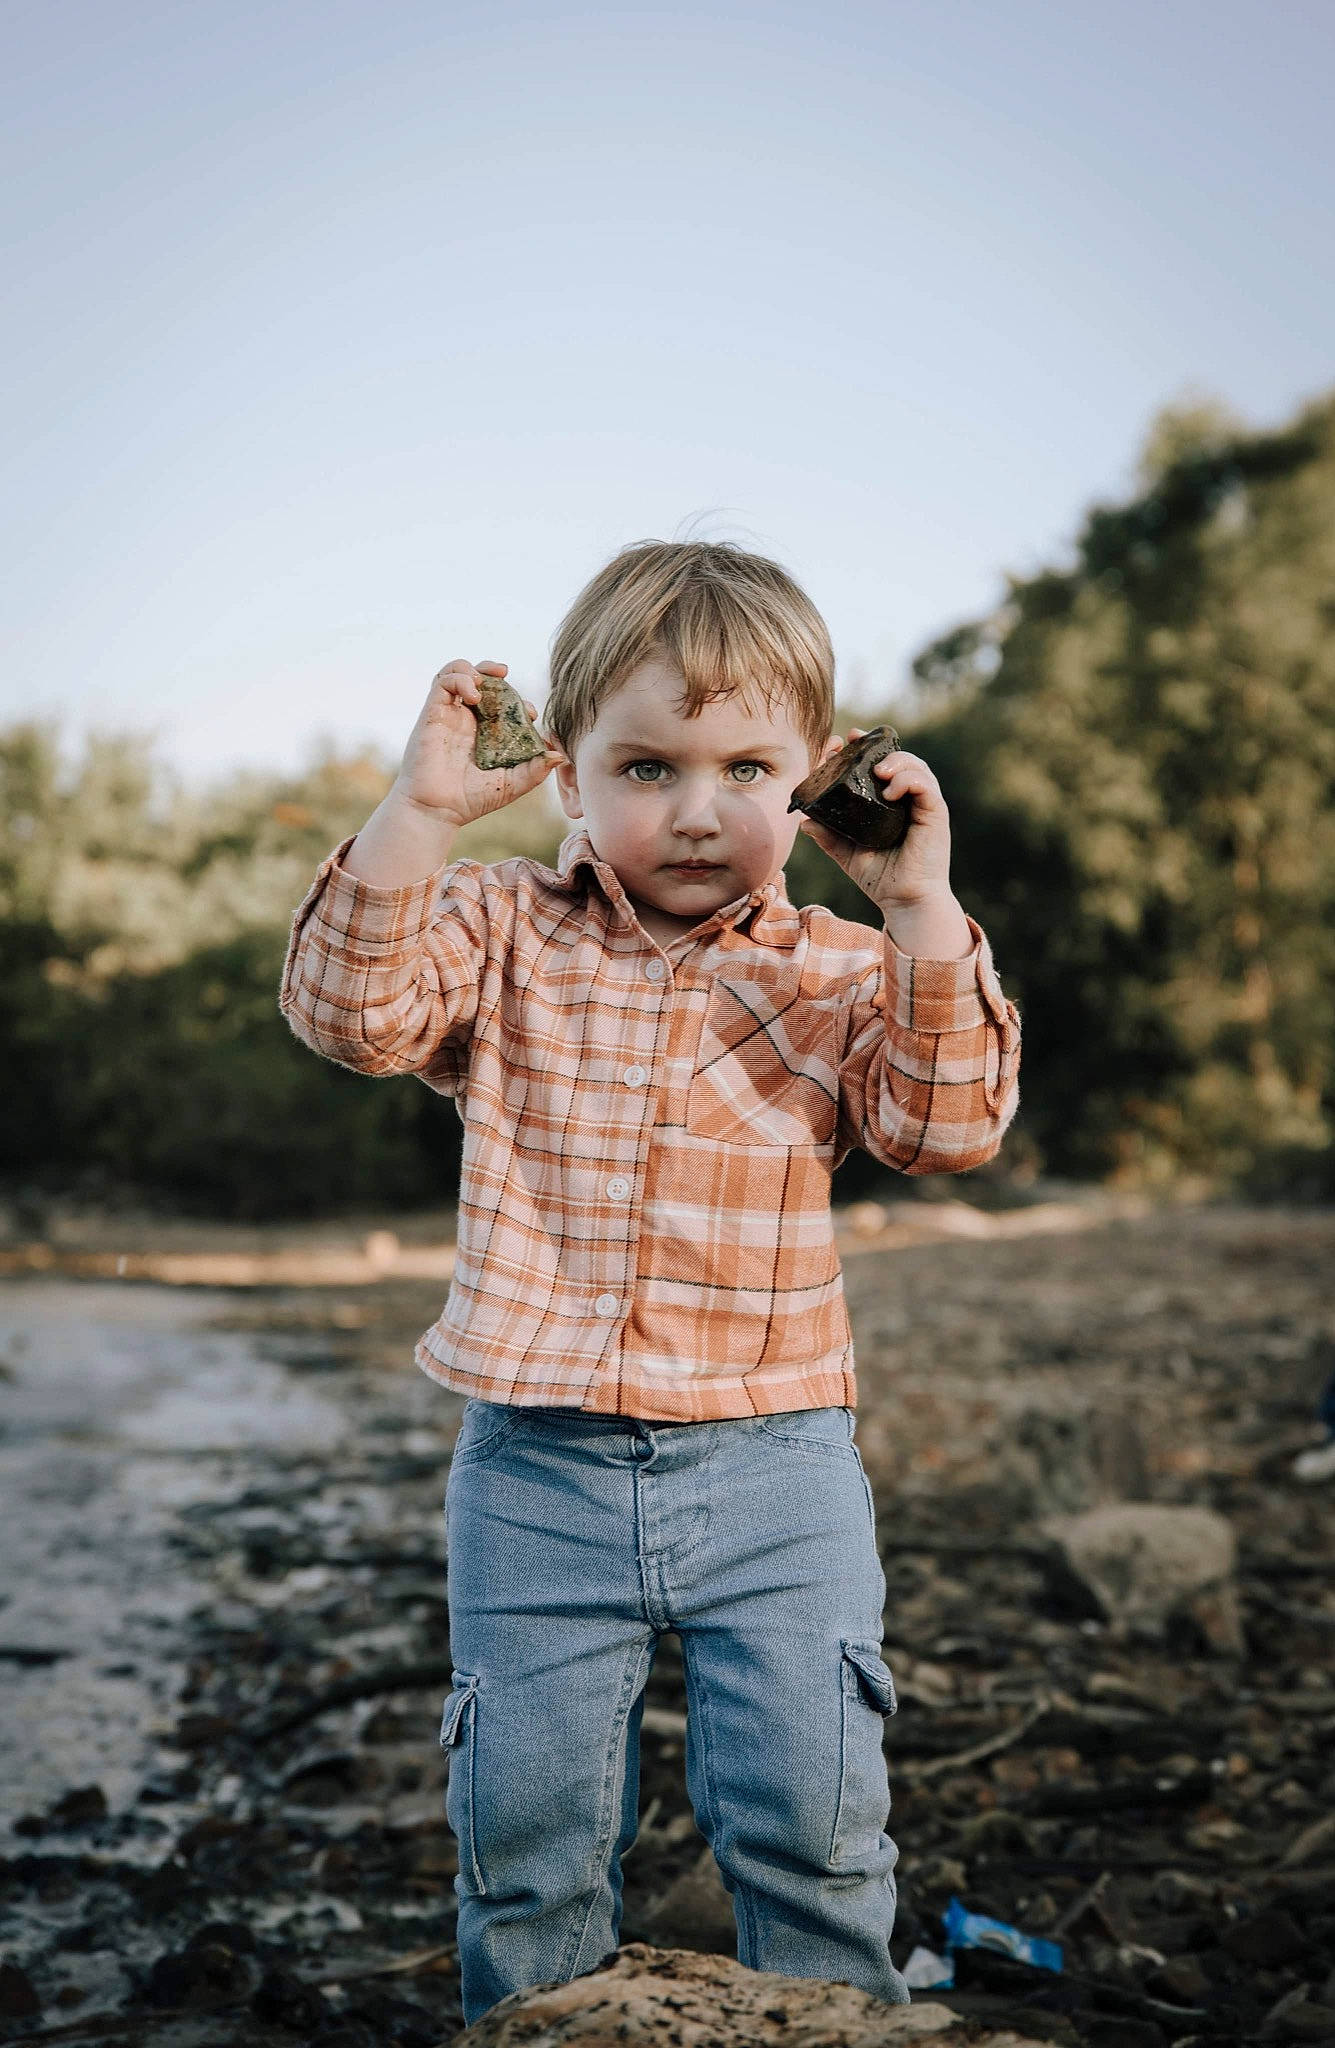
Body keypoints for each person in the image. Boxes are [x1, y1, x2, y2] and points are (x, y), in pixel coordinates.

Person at [280, 540, 1021, 2021]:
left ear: (815, 777)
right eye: (645, 768)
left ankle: (829, 2022)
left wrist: (922, 912)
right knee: (526, 1837)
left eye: (747, 769)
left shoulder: (839, 968)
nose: (696, 810)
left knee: (814, 1823)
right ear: (565, 770)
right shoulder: (499, 927)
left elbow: (948, 1130)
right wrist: (418, 814)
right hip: (535, 1467)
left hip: (778, 1466)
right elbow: (348, 1013)